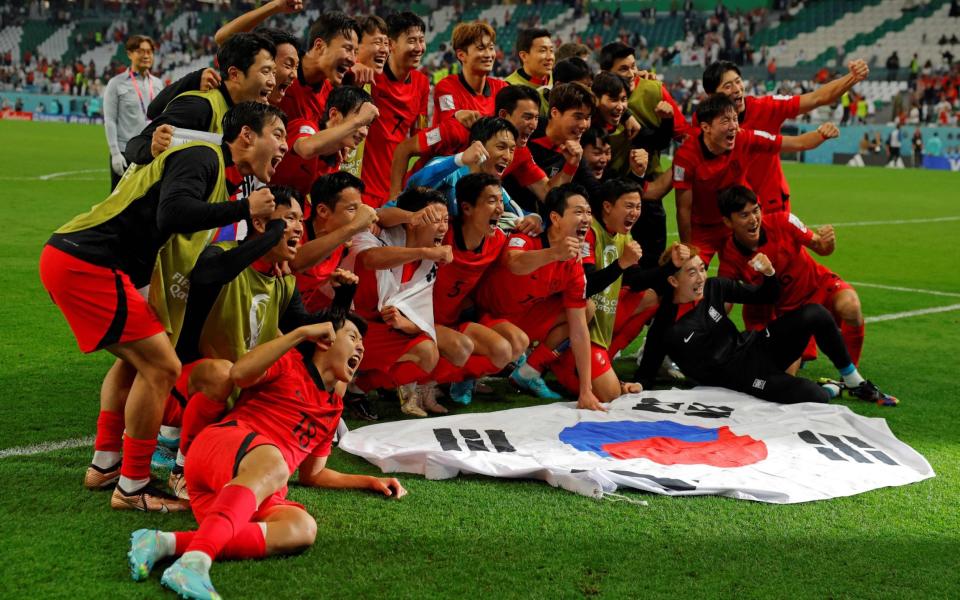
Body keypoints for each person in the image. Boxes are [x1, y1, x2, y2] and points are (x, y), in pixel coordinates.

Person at [40, 102, 285, 512]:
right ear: (246, 136)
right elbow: (173, 214)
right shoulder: (203, 156)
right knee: (163, 368)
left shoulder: (213, 172)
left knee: (136, 363)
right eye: (277, 133)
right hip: (88, 263)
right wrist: (246, 209)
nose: (284, 145)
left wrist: (257, 233)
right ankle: (133, 487)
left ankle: (105, 466)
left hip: (78, 258)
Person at [127, 313, 406, 600]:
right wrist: (299, 334)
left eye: (363, 342)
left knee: (302, 528)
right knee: (276, 464)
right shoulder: (290, 364)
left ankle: (163, 543)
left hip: (243, 492)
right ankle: (194, 562)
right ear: (325, 341)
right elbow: (238, 374)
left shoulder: (333, 409)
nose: (361, 347)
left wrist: (370, 481)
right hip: (219, 449)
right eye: (353, 337)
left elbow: (313, 474)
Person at [635, 244, 897, 406]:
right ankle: (833, 388)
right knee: (814, 396)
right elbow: (645, 373)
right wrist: (637, 385)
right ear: (672, 281)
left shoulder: (715, 287)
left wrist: (769, 274)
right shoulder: (666, 327)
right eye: (691, 272)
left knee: (814, 313)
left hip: (757, 346)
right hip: (743, 378)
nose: (701, 277)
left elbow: (766, 295)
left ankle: (854, 382)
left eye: (702, 268)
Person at [475, 184, 604, 410]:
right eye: (578, 212)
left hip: (524, 318)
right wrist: (554, 253)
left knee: (586, 309)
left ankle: (529, 371)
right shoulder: (527, 237)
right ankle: (466, 377)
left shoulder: (574, 263)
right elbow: (515, 263)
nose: (586, 219)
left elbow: (579, 331)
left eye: (588, 213)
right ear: (555, 217)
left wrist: (586, 391)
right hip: (486, 316)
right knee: (516, 342)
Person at [552, 179, 681, 402]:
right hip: (577, 325)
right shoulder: (589, 231)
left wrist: (671, 267)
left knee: (652, 298)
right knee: (610, 394)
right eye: (629, 206)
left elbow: (636, 281)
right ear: (608, 207)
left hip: (596, 328)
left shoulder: (623, 236)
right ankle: (543, 365)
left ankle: (606, 360)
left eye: (638, 207)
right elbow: (586, 285)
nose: (635, 213)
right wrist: (621, 263)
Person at [673, 94, 840, 265]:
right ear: (706, 127)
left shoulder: (744, 138)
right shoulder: (686, 156)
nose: (733, 127)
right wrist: (688, 246)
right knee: (689, 270)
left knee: (762, 270)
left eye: (735, 119)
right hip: (703, 230)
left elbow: (796, 143)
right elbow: (683, 208)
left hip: (739, 224)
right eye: (725, 121)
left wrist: (822, 135)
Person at [717, 185, 866, 369]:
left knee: (851, 306)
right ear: (728, 222)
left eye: (756, 210)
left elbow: (822, 248)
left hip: (817, 286)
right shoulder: (730, 255)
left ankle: (851, 378)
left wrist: (828, 242)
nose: (753, 219)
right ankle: (800, 353)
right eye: (744, 215)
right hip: (783, 314)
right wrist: (706, 325)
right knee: (780, 373)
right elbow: (724, 297)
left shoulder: (784, 221)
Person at [417, 173, 530, 408]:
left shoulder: (498, 240)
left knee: (512, 345)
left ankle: (458, 380)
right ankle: (420, 383)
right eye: (491, 201)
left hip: (454, 320)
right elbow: (390, 214)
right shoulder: (441, 234)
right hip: (421, 321)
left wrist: (536, 218)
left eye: (501, 201)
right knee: (462, 347)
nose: (500, 208)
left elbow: (523, 250)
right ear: (467, 208)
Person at [701, 59, 869, 214]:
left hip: (771, 205)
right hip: (730, 209)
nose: (737, 89)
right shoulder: (704, 121)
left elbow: (817, 98)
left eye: (738, 81)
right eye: (728, 86)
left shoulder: (766, 107)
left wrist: (852, 78)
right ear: (712, 96)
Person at [348, 187, 451, 415]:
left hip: (376, 333)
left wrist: (404, 324)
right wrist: (422, 249)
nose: (443, 227)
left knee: (429, 352)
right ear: (413, 220)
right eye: (435, 219)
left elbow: (423, 320)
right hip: (342, 327)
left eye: (446, 220)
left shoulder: (428, 262)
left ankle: (358, 388)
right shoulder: (375, 235)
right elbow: (370, 259)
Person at [124, 33, 277, 166]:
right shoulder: (199, 107)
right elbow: (136, 145)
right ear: (235, 74)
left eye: (274, 73)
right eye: (266, 71)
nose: (273, 82)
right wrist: (152, 147)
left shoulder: (245, 111)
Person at [356, 12, 429, 208]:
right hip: (361, 190)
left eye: (421, 40)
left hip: (395, 190)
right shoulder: (371, 74)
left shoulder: (422, 83)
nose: (419, 48)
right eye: (412, 40)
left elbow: (419, 134)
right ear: (391, 44)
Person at [270, 84, 378, 198]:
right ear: (334, 114)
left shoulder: (336, 160)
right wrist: (357, 122)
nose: (364, 132)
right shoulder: (304, 126)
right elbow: (307, 148)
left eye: (367, 126)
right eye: (361, 122)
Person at [504, 82, 594, 215]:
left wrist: (571, 165)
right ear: (555, 113)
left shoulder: (523, 154)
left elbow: (548, 195)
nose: (584, 125)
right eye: (578, 117)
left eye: (588, 118)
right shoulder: (488, 136)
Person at [103, 35, 165, 189]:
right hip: (126, 153)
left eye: (149, 52)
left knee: (147, 205)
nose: (146, 55)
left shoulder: (158, 84)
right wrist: (115, 153)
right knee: (120, 208)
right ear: (129, 54)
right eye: (140, 51)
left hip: (151, 152)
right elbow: (110, 120)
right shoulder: (116, 83)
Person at [432, 21, 508, 126]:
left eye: (491, 48)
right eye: (481, 48)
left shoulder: (501, 88)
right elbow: (449, 120)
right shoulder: (446, 88)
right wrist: (457, 115)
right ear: (461, 55)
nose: (488, 55)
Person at [505, 27, 554, 116]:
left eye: (551, 50)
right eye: (542, 51)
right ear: (524, 56)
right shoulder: (509, 87)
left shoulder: (560, 79)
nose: (550, 57)